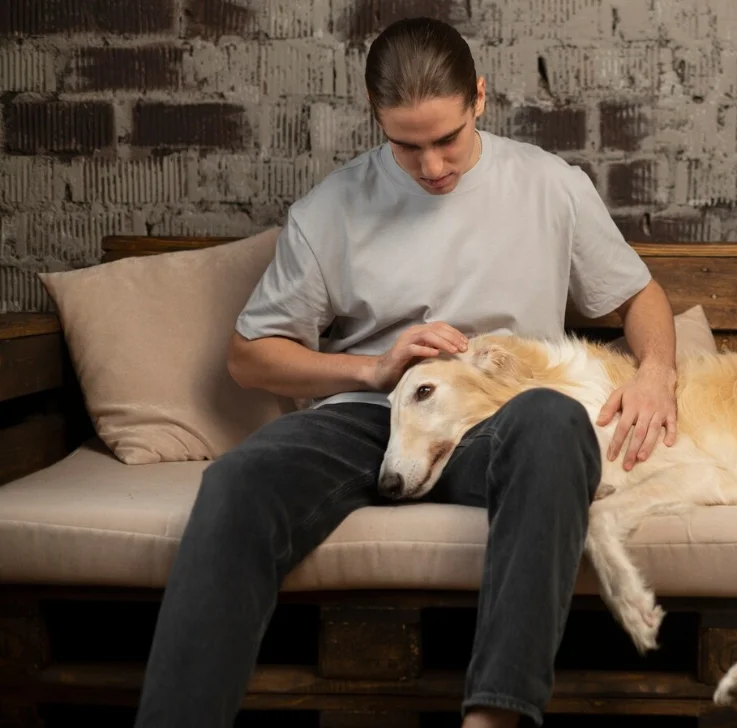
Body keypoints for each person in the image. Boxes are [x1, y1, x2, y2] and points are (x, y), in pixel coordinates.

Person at [132, 15, 680, 728]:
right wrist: (372, 369)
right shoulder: (330, 209)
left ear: (480, 98)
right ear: (375, 119)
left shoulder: (551, 186)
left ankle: (494, 717)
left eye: (447, 139)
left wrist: (658, 372)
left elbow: (639, 296)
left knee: (553, 420)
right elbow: (248, 356)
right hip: (371, 415)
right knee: (238, 480)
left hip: (493, 418)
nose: (432, 168)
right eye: (406, 145)